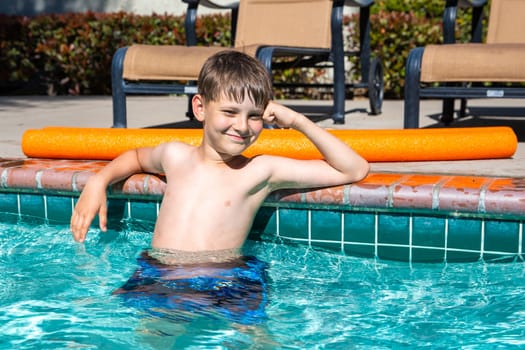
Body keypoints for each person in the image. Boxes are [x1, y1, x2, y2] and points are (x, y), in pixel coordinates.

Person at [69, 50, 369, 324]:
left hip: (228, 278)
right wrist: (99, 180)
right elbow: (135, 157)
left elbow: (353, 168)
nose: (242, 126)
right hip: (157, 272)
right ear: (200, 108)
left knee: (256, 341)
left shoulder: (259, 170)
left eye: (254, 116)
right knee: (106, 327)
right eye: (230, 112)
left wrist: (297, 120)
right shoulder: (175, 156)